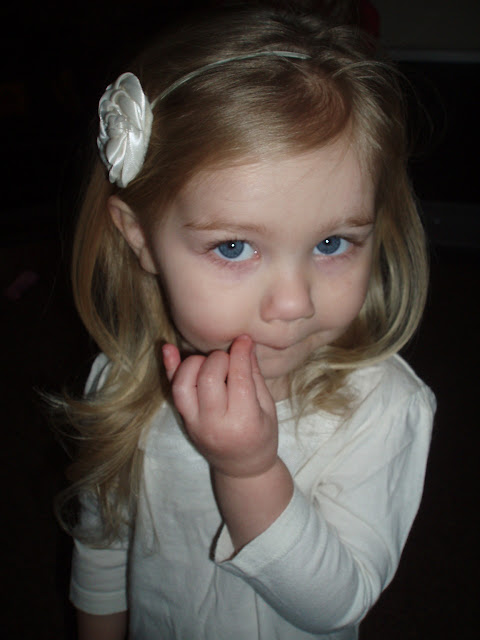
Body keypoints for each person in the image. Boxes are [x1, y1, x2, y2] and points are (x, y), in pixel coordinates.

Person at [56, 3, 436, 639]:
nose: (293, 303)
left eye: (332, 243)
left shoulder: (382, 407)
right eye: (234, 247)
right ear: (140, 237)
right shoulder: (124, 384)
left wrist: (250, 473)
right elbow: (102, 549)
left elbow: (339, 603)